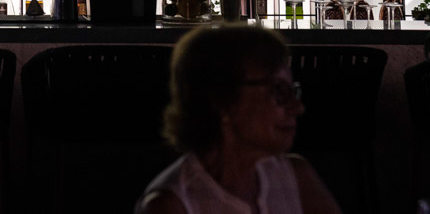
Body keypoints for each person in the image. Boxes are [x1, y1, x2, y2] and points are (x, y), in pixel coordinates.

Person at [137, 25, 341, 214]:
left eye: (292, 91)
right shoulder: (172, 204)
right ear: (222, 100)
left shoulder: (295, 176)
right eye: (278, 91)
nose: (298, 107)